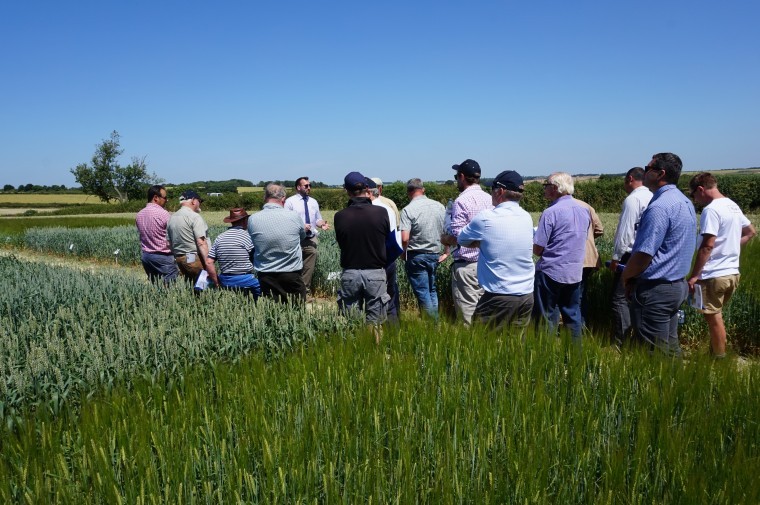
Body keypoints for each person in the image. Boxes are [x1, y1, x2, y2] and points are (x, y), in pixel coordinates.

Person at [621, 153, 697, 357]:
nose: (644, 173)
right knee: (669, 348)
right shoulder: (684, 201)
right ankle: (678, 386)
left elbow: (643, 254)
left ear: (660, 173)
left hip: (656, 289)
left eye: (648, 169)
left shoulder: (659, 207)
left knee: (653, 353)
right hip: (676, 285)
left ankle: (662, 388)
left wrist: (626, 276)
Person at [687, 172, 756, 358]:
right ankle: (716, 353)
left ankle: (719, 358)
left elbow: (707, 245)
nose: (695, 199)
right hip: (733, 272)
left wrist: (694, 275)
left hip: (714, 273)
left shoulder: (711, 210)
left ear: (701, 189)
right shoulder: (732, 205)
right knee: (717, 315)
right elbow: (751, 232)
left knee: (713, 318)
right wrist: (731, 246)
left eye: (693, 195)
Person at [457, 171, 535, 332]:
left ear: (499, 191)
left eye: (492, 189)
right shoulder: (526, 217)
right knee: (514, 346)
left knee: (480, 343)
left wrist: (482, 243)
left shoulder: (487, 217)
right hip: (527, 295)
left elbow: (462, 239)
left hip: (499, 295)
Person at [532, 172, 591, 340]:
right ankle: (575, 358)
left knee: (545, 318)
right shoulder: (584, 210)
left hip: (550, 272)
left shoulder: (550, 212)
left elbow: (538, 249)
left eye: (546, 185)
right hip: (574, 272)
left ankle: (545, 356)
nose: (544, 189)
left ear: (556, 188)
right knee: (572, 316)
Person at [334, 172, 390, 341]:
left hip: (350, 273)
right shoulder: (381, 213)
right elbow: (386, 239)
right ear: (367, 188)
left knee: (352, 321)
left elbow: (342, 242)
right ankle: (376, 353)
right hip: (375, 273)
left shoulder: (340, 216)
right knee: (376, 321)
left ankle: (356, 352)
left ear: (346, 191)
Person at [440, 159, 493, 325]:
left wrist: (444, 239)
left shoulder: (461, 201)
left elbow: (458, 236)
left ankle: (470, 348)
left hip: (466, 266)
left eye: (457, 176)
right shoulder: (490, 199)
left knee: (467, 318)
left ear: (462, 177)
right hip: (488, 264)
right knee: (485, 316)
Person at [609, 167, 653, 346]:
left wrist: (615, 257)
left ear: (630, 179)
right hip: (648, 256)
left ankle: (620, 342)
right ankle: (638, 339)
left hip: (629, 256)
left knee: (619, 299)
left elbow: (625, 231)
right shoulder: (652, 196)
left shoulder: (633, 199)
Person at [249, 184, 307, 303]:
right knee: (296, 314)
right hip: (291, 273)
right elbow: (302, 237)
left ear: (265, 197)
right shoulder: (294, 216)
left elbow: (253, 241)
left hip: (265, 275)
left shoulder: (253, 219)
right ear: (283, 199)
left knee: (272, 314)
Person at [399, 178, 447, 319]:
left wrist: (403, 253)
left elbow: (405, 238)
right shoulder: (439, 206)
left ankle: (433, 326)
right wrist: (446, 251)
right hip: (435, 254)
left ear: (409, 192)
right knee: (432, 290)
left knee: (423, 293)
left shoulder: (408, 210)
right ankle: (434, 322)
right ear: (423, 190)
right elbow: (446, 231)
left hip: (417, 256)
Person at [284, 176, 330, 298]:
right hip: (295, 238)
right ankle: (293, 292)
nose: (309, 188)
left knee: (309, 263)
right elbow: (286, 221)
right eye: (306, 185)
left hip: (310, 238)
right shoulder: (290, 202)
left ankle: (305, 292)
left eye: (310, 185)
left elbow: (317, 219)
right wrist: (300, 227)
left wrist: (322, 224)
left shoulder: (313, 202)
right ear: (298, 187)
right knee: (294, 265)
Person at [204, 208, 261, 297]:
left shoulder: (220, 238)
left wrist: (217, 282)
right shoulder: (247, 236)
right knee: (266, 291)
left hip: (225, 280)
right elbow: (256, 257)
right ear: (244, 221)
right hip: (246, 279)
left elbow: (209, 262)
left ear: (231, 221)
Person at [368, 178, 402, 324]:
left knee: (373, 301)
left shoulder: (369, 210)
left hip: (373, 262)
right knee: (390, 298)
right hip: (388, 259)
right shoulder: (388, 207)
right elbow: (395, 237)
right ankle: (393, 332)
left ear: (368, 192)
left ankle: (375, 334)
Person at [135, 184, 178, 284]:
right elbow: (172, 236)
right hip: (163, 257)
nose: (166, 200)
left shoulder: (140, 214)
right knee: (170, 288)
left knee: (156, 287)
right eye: (165, 198)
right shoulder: (163, 214)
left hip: (147, 256)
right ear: (155, 198)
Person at [167, 189, 210, 284]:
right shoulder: (194, 216)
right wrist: (208, 263)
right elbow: (201, 242)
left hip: (179, 258)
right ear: (194, 200)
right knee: (203, 286)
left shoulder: (172, 218)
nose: (200, 204)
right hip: (192, 256)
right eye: (200, 201)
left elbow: (168, 243)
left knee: (190, 285)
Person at [574, 198, 604, 324]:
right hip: (589, 257)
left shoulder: (556, 208)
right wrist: (588, 239)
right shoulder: (586, 206)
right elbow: (599, 229)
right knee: (581, 293)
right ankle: (581, 327)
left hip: (572, 258)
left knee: (570, 296)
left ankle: (574, 329)